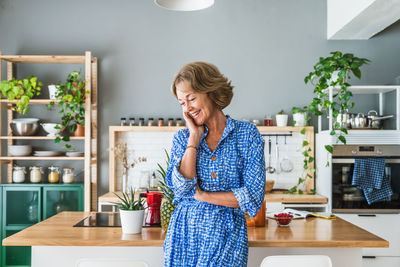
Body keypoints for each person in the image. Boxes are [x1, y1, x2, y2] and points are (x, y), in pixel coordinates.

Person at [163, 62, 266, 266]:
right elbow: (182, 187)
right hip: (184, 235)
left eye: (191, 98)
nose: (188, 109)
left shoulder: (246, 134)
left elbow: (252, 196)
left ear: (210, 91)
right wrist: (194, 138)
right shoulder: (183, 139)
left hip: (228, 236)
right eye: (182, 103)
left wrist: (203, 196)